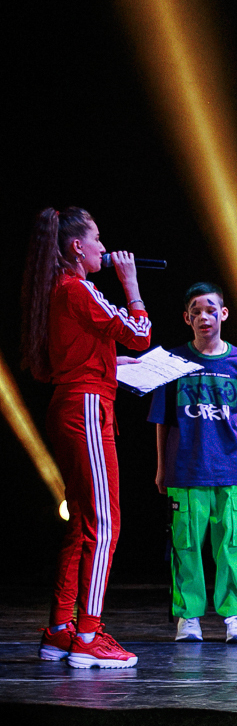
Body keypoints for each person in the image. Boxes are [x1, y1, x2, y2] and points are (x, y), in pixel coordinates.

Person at [21, 207, 150, 669]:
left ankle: (61, 630)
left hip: (76, 402)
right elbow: (139, 333)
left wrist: (113, 364)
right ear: (77, 246)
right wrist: (131, 285)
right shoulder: (78, 288)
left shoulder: (61, 289)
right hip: (87, 408)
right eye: (97, 239)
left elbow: (82, 351)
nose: (103, 248)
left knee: (82, 522)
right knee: (106, 523)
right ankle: (89, 635)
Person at [149, 282, 237, 643]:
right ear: (187, 318)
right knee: (186, 545)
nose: (203, 317)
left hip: (229, 471)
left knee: (233, 545)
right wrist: (162, 468)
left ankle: (235, 617)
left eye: (210, 310)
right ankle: (189, 617)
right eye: (196, 311)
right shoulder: (174, 361)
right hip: (185, 470)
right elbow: (163, 420)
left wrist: (235, 462)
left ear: (223, 314)